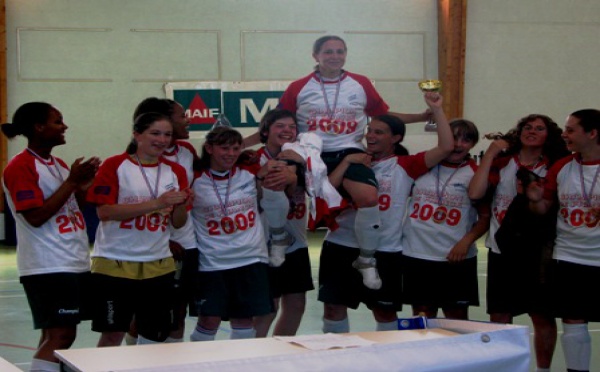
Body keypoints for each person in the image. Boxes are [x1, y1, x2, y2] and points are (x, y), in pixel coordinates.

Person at [244, 35, 430, 290]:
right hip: (308, 151)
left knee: (368, 198)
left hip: (348, 152)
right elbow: (274, 122)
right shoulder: (299, 87)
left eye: (340, 51)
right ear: (315, 56)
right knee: (274, 178)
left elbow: (383, 116)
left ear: (345, 54)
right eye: (328, 51)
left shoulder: (360, 83)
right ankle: (279, 237)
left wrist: (422, 116)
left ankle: (366, 259)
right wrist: (239, 146)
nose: (335, 56)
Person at [318, 92, 453, 333]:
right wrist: (348, 163)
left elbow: (445, 147)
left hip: (384, 249)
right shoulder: (350, 160)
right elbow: (326, 192)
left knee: (384, 311)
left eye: (379, 132)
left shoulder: (405, 165)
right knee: (333, 309)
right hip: (341, 244)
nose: (371, 136)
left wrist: (437, 110)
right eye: (369, 131)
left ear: (396, 138)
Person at [1, 102, 100, 372]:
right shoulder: (20, 166)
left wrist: (81, 186)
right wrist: (71, 182)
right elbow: (34, 217)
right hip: (48, 264)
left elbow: (70, 208)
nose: (64, 126)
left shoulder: (57, 163)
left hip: (72, 259)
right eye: (58, 121)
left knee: (55, 336)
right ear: (38, 127)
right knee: (61, 336)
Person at [468, 114, 570, 371]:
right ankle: (502, 366)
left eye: (539, 128)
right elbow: (475, 193)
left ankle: (543, 369)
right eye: (527, 127)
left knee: (541, 315)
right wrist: (490, 154)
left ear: (550, 136)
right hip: (501, 247)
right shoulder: (502, 163)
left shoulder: (554, 166)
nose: (531, 131)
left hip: (538, 250)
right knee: (500, 315)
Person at [87, 112, 191, 347]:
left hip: (158, 264)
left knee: (155, 334)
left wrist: (180, 204)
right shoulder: (115, 165)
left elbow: (178, 222)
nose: (162, 140)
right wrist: (157, 203)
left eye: (167, 134)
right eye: (155, 133)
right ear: (137, 135)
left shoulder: (175, 171)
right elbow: (105, 212)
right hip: (115, 263)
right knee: (113, 334)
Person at [189, 127, 279, 342]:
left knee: (244, 321)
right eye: (224, 148)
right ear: (209, 148)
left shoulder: (250, 173)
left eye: (236, 148)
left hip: (250, 259)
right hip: (212, 263)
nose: (230, 153)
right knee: (209, 321)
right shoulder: (194, 180)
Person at [527, 109, 600, 372]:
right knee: (572, 319)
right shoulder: (562, 167)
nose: (564, 134)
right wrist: (536, 201)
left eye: (571, 130)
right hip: (569, 256)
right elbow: (544, 208)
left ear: (592, 133)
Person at [124, 98, 199, 345]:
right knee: (148, 315)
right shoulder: (134, 159)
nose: (187, 120)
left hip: (185, 238)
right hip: (154, 243)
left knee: (177, 314)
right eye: (182, 115)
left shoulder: (187, 152)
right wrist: (163, 240)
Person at [402, 119, 489, 320]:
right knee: (422, 315)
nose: (459, 144)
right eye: (454, 138)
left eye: (466, 140)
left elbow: (485, 216)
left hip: (455, 256)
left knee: (456, 317)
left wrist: (465, 243)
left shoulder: (475, 173)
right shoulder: (423, 164)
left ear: (473, 144)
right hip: (417, 253)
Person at [251, 109, 315, 337]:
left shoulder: (305, 157)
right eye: (280, 126)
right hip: (264, 244)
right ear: (266, 130)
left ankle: (280, 353)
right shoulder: (252, 160)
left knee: (296, 305)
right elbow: (252, 200)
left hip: (296, 242)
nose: (287, 131)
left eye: (291, 127)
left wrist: (295, 178)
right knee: (268, 309)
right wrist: (265, 178)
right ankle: (254, 358)